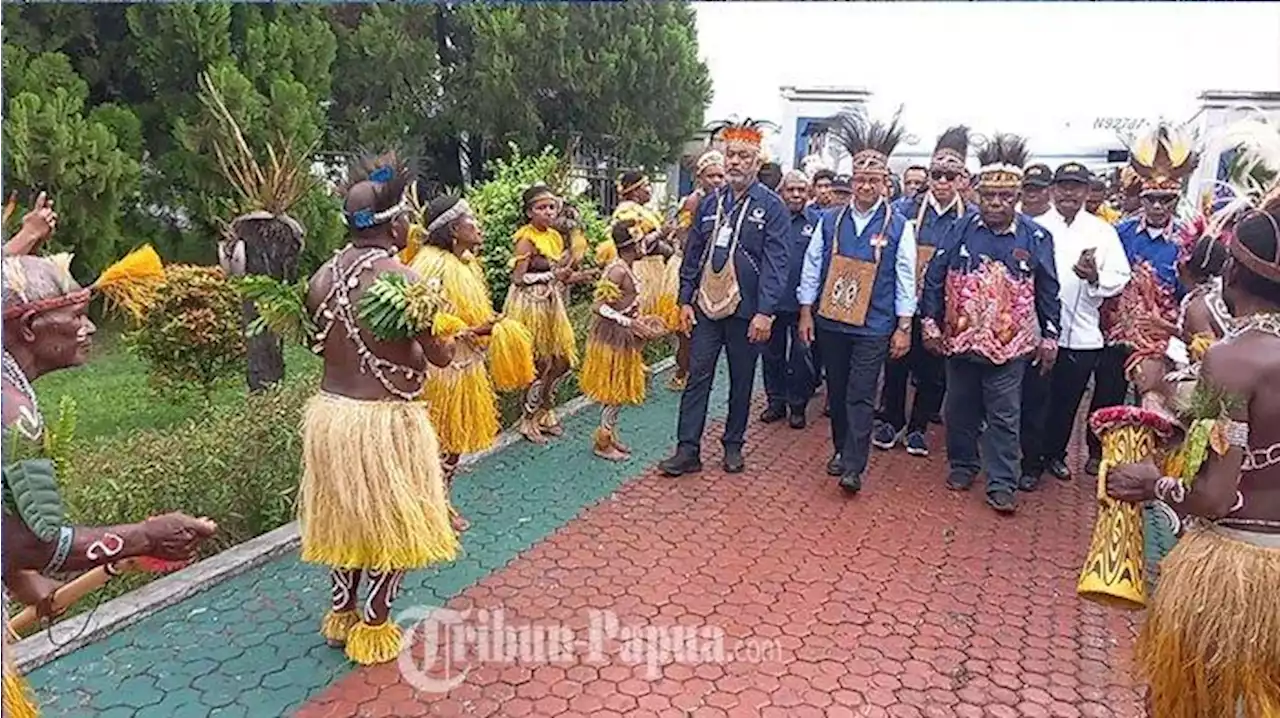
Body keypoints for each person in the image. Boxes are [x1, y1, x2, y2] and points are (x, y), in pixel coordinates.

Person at [3, 247, 219, 716]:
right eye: (77, 315)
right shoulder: (13, 413)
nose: (91, 327)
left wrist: (19, 579)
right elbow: (36, 544)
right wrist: (145, 538)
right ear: (27, 328)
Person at [1104, 206, 1280, 718]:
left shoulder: (1235, 359)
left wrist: (1152, 484)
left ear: (1232, 272)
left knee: (1205, 700)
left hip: (1235, 572)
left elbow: (1214, 496)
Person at [299, 153, 460, 665]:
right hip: (386, 420)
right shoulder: (403, 281)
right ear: (398, 223)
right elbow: (436, 354)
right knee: (396, 519)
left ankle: (340, 614)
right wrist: (445, 341)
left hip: (332, 416)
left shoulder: (321, 277)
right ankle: (374, 624)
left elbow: (320, 345)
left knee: (345, 516)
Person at [920, 133, 1062, 513]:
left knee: (1004, 414)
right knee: (959, 408)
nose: (996, 204)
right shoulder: (960, 229)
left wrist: (1050, 335)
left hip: (1010, 346)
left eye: (1004, 197)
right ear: (978, 196)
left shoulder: (1036, 237)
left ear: (1016, 199)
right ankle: (963, 465)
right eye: (989, 197)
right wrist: (930, 323)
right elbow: (935, 275)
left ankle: (1001, 482)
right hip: (960, 340)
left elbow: (1048, 288)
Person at [659, 118, 791, 477]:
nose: (734, 162)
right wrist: (685, 299)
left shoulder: (772, 206)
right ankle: (688, 449)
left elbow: (777, 263)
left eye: (743, 156)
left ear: (757, 162)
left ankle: (733, 445)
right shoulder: (709, 203)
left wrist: (765, 312)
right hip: (705, 307)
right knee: (697, 373)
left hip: (747, 312)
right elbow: (693, 253)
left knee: (741, 378)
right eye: (730, 154)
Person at [798, 108, 916, 494]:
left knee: (862, 393)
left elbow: (905, 277)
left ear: (885, 183)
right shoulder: (829, 220)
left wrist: (903, 327)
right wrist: (805, 312)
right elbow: (812, 266)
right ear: (852, 181)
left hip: (875, 324)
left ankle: (854, 465)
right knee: (837, 387)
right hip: (832, 321)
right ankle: (840, 448)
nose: (866, 186)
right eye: (860, 179)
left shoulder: (900, 226)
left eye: (874, 180)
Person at [406, 193, 536, 534]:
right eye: (471, 219)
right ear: (452, 229)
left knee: (452, 446)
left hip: (465, 365)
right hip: (444, 370)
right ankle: (433, 508)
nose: (478, 225)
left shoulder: (463, 263)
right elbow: (427, 323)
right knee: (439, 443)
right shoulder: (432, 266)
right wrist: (477, 330)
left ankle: (438, 503)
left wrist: (486, 322)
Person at [1087, 124, 1198, 474]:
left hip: (1158, 338)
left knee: (1154, 400)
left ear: (1175, 201)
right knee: (1107, 392)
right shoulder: (1118, 232)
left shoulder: (1186, 240)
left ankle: (1147, 461)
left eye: (1166, 200)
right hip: (1116, 330)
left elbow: (1190, 293)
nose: (1157, 206)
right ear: (1141, 198)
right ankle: (1098, 453)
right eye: (1152, 199)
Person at [1021, 163, 1130, 489]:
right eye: (1063, 186)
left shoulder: (1102, 231)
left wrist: (1094, 277)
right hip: (1039, 331)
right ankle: (1030, 462)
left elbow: (1120, 277)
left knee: (1067, 401)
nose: (1069, 193)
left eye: (1076, 187)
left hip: (1082, 331)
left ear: (1086, 191)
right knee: (1036, 397)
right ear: (1052, 190)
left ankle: (1055, 454)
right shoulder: (1033, 226)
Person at [874, 125, 972, 457]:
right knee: (896, 364)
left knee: (933, 372)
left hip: (944, 308)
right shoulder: (905, 210)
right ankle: (890, 420)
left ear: (962, 178)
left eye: (950, 175)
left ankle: (918, 427)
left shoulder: (970, 218)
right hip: (904, 302)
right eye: (937, 175)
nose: (942, 182)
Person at [505, 183, 597, 444]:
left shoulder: (555, 238)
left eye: (551, 207)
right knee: (539, 363)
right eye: (541, 207)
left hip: (550, 303)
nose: (548, 211)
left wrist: (581, 276)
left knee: (562, 361)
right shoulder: (525, 238)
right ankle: (528, 418)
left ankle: (546, 409)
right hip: (529, 304)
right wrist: (552, 274)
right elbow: (519, 278)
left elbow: (559, 277)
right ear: (529, 212)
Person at [580, 219, 667, 460]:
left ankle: (609, 434)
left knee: (618, 390)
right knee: (614, 391)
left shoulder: (626, 267)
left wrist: (639, 318)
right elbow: (598, 306)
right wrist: (630, 322)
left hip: (623, 336)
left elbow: (625, 305)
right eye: (642, 242)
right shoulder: (617, 270)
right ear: (633, 245)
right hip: (612, 339)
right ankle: (603, 442)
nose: (645, 246)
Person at [761, 170, 821, 429]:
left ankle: (798, 405)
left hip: (803, 305)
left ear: (808, 193)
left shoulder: (818, 223)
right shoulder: (771, 220)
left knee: (801, 356)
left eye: (801, 190)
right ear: (781, 192)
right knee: (771, 354)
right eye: (790, 190)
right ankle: (775, 402)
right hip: (772, 301)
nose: (796, 195)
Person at [668, 150, 727, 391]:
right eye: (710, 175)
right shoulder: (693, 202)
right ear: (699, 177)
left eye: (720, 176)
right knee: (687, 327)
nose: (716, 180)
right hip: (692, 267)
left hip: (716, 272)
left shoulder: (727, 200)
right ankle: (682, 371)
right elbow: (683, 237)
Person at [612, 171, 679, 333]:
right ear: (635, 191)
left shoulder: (642, 210)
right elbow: (635, 244)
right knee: (639, 324)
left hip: (654, 269)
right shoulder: (627, 212)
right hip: (641, 271)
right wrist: (660, 233)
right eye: (647, 186)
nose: (650, 190)